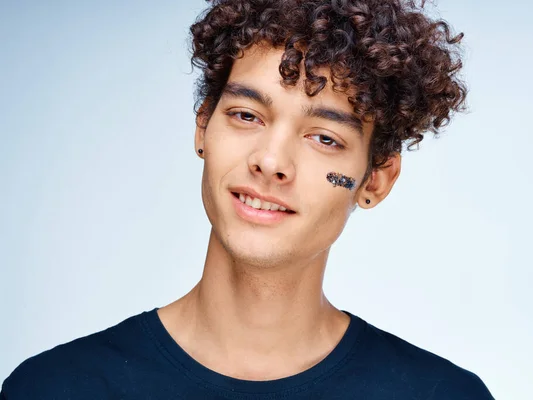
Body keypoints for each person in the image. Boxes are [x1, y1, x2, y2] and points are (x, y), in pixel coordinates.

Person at [1, 0, 494, 398]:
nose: (270, 161)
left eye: (324, 138)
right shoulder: (55, 388)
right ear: (203, 127)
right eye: (246, 115)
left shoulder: (440, 394)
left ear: (376, 179)